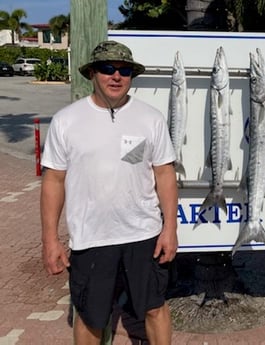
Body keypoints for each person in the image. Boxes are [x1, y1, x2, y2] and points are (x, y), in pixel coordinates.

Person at [40, 40, 178, 345]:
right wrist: (50, 239)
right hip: (91, 238)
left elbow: (165, 174)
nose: (116, 76)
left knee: (155, 308)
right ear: (92, 73)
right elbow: (53, 181)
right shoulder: (67, 121)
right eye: (107, 68)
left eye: (124, 70)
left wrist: (170, 228)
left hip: (145, 235)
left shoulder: (150, 118)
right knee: (90, 316)